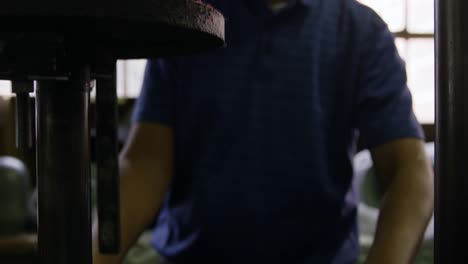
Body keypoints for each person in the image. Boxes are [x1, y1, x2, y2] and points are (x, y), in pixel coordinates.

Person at [94, 0, 434, 263]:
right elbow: (146, 161)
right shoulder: (187, 20)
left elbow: (408, 170)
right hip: (192, 256)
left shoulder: (360, 32)